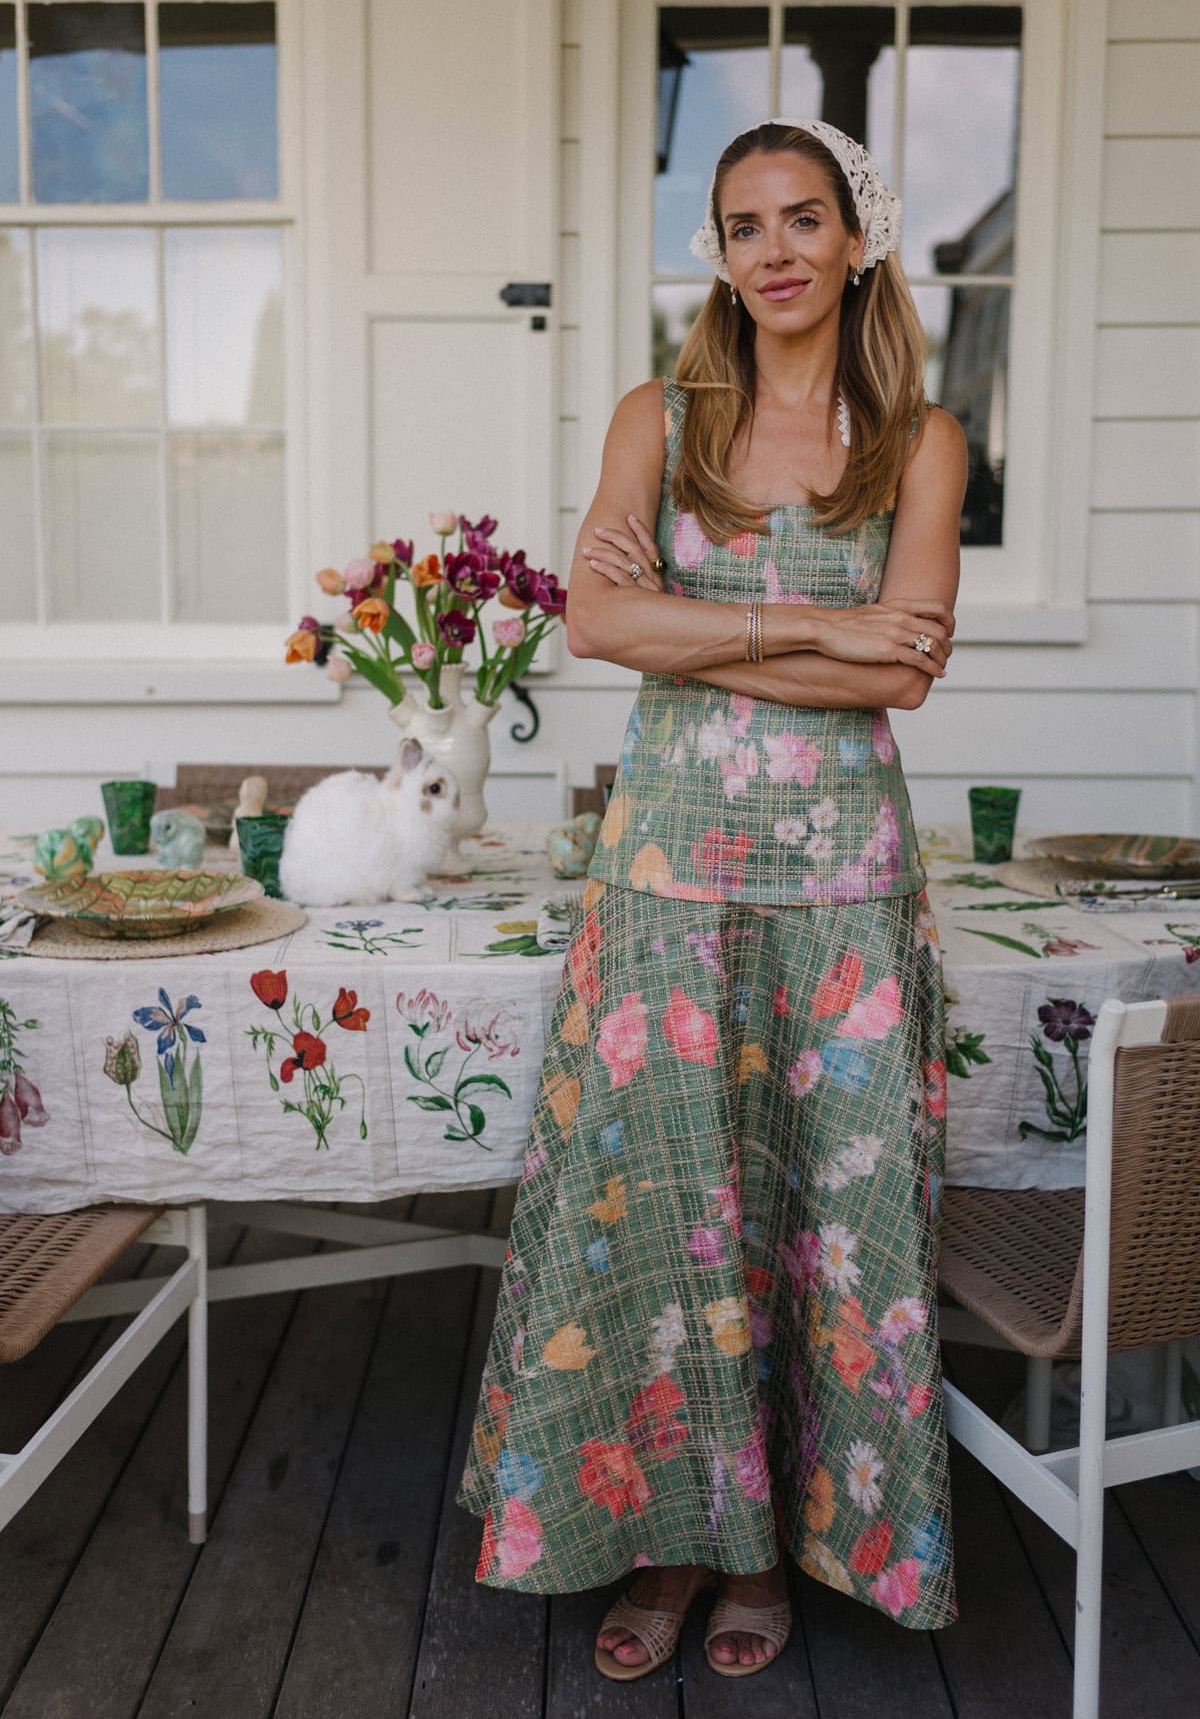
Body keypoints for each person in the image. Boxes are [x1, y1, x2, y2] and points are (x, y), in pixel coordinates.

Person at [456, 118, 967, 1681]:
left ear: (858, 239)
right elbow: (596, 620)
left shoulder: (922, 439)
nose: (776, 251)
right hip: (668, 870)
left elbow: (920, 662)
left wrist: (703, 619)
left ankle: (780, 1554)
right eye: (744, 227)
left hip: (844, 885)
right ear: (721, 256)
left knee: (826, 1233)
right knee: (664, 1222)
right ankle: (669, 1546)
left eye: (805, 219)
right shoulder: (659, 418)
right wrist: (820, 634)